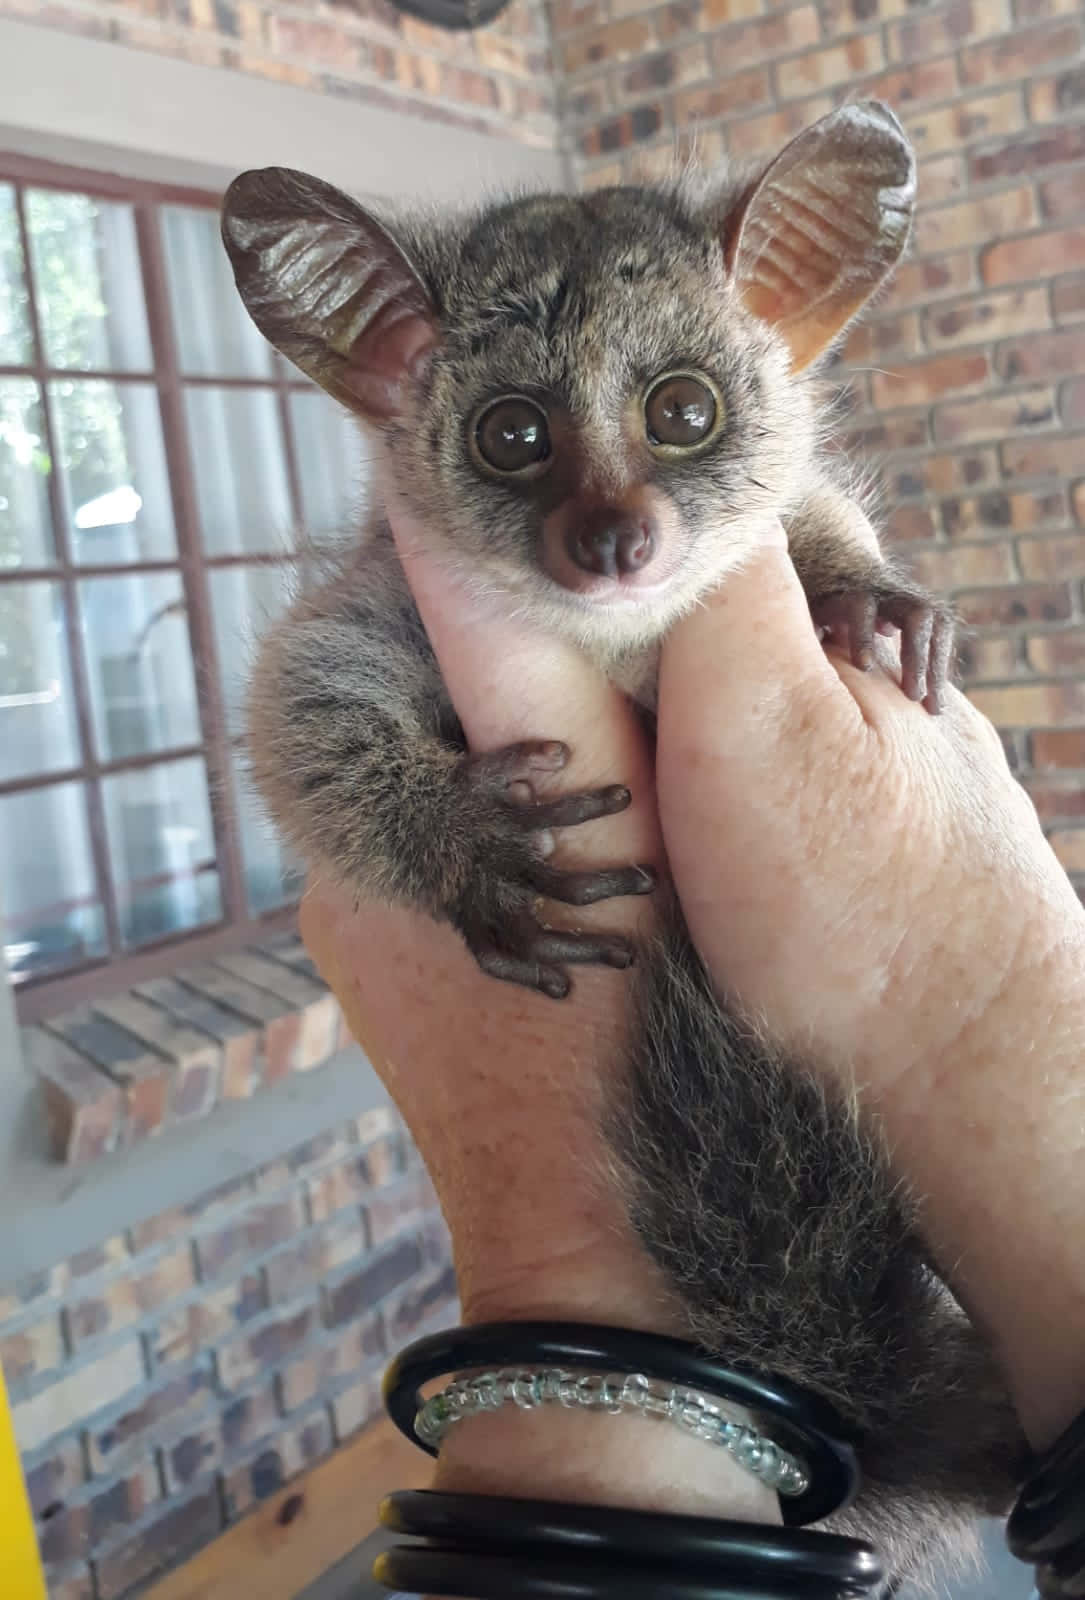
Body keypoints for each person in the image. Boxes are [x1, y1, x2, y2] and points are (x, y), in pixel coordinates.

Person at [301, 497, 1085, 1530]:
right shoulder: (404, 567)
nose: (613, 512)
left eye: (677, 415)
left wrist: (560, 1247)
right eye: (516, 443)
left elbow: (780, 498)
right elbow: (318, 725)